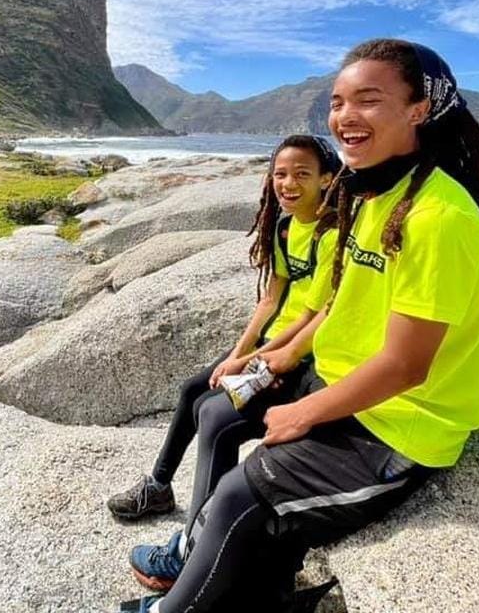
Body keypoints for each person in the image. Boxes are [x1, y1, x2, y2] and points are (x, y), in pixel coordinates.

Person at [122, 38, 479, 613]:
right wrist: (279, 359)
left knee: (241, 494)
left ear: (419, 110)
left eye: (369, 100)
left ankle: (173, 607)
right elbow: (337, 303)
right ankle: (202, 559)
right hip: (337, 382)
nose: (345, 117)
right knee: (217, 412)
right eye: (337, 102)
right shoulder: (374, 192)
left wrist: (303, 412)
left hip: (399, 424)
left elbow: (406, 366)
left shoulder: (438, 218)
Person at [107, 135, 342, 559]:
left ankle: (197, 546)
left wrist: (251, 361)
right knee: (193, 389)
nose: (287, 184)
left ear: (327, 179)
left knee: (215, 416)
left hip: (300, 353)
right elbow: (271, 298)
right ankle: (159, 487)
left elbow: (312, 318)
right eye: (280, 174)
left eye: (301, 174)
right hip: (269, 343)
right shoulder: (285, 225)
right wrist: (237, 353)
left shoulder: (331, 234)